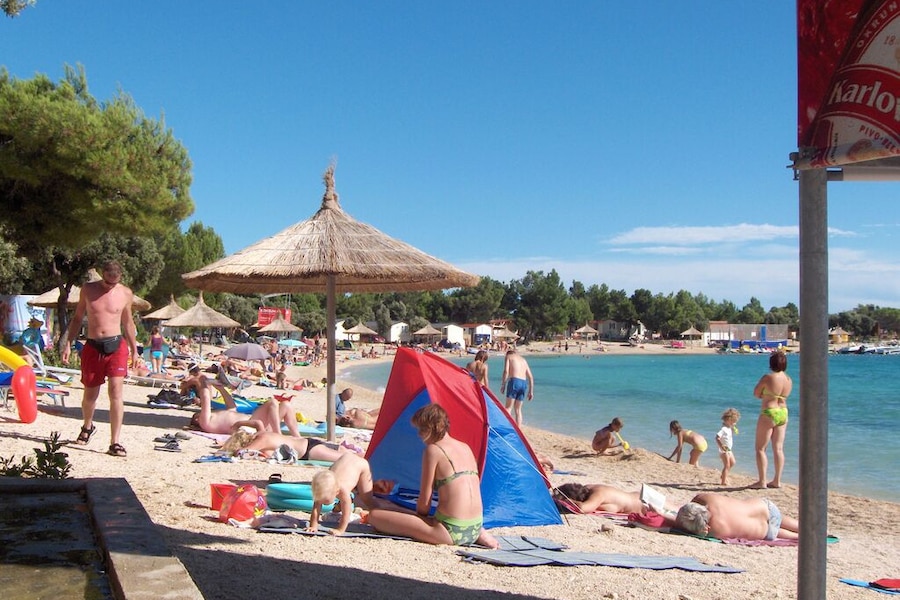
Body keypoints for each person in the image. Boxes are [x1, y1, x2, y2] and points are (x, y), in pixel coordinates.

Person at [367, 404, 499, 548]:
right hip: (476, 526)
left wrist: (418, 518)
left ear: (430, 429)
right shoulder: (465, 447)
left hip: (450, 531)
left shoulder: (433, 450)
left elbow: (424, 503)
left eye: (421, 430)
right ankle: (478, 534)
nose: (419, 435)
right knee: (403, 515)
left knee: (375, 516)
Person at [62, 260, 139, 458]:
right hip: (93, 345)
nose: (110, 285)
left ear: (120, 277)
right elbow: (77, 318)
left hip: (116, 346)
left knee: (116, 392)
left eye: (114, 282)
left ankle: (115, 442)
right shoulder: (88, 290)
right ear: (103, 274)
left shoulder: (125, 293)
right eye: (107, 281)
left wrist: (135, 350)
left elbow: (128, 323)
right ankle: (87, 426)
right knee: (90, 395)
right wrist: (68, 343)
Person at [184, 364, 301, 437]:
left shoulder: (218, 416)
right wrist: (202, 381)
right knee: (272, 402)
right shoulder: (205, 422)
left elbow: (231, 405)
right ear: (196, 420)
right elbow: (205, 397)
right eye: (197, 415)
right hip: (250, 426)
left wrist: (220, 388)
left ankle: (297, 437)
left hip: (257, 422)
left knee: (286, 404)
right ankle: (277, 435)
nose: (199, 414)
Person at [308, 453, 391, 535]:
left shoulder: (343, 490)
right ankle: (338, 506)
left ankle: (381, 515)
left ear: (336, 491)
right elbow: (316, 509)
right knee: (338, 503)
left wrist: (340, 530)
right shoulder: (322, 488)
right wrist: (313, 526)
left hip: (361, 465)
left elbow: (346, 513)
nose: (323, 503)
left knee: (367, 498)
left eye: (326, 501)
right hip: (346, 458)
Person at [674, 492, 799, 541]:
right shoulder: (704, 498)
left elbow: (694, 528)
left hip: (768, 532)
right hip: (767, 508)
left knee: (797, 537)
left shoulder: (714, 531)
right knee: (783, 519)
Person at [752, 350, 793, 489]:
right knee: (778, 448)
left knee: (760, 448)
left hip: (769, 411)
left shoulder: (768, 377)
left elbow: (756, 393)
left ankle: (762, 481)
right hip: (783, 412)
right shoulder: (789, 380)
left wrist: (764, 395)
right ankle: (777, 480)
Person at [239, 431, 345, 462]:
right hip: (307, 443)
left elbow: (242, 452)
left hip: (308, 450)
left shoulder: (261, 440)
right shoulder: (263, 434)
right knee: (344, 453)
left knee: (345, 458)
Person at [552, 482, 644, 514]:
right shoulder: (588, 488)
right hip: (640, 496)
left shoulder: (598, 494)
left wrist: (566, 501)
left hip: (645, 503)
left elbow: (582, 508)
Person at [499, 348, 533, 425]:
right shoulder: (523, 360)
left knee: (508, 407)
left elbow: (506, 371)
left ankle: (506, 426)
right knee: (518, 409)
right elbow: (530, 377)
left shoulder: (509, 357)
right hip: (523, 383)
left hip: (514, 381)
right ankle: (518, 428)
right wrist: (531, 391)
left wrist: (503, 384)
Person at [716, 408, 741, 485]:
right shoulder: (723, 429)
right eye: (734, 422)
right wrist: (721, 446)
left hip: (729, 449)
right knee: (727, 465)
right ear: (729, 420)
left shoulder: (729, 428)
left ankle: (723, 475)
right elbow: (717, 437)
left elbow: (729, 435)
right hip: (724, 450)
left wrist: (733, 429)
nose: (735, 423)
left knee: (733, 462)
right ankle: (723, 481)